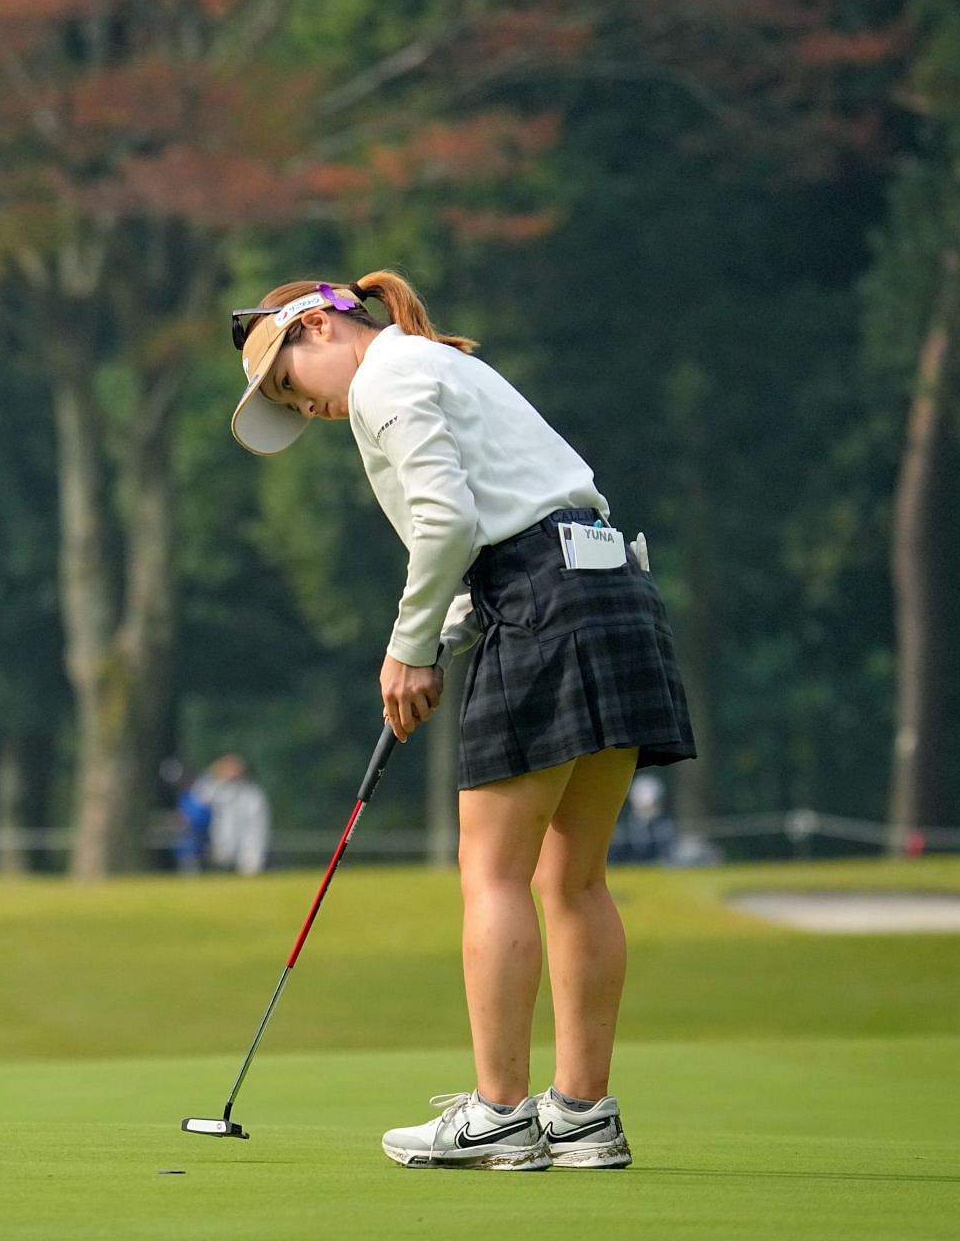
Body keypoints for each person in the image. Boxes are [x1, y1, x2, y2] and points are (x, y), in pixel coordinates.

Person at [227, 271, 694, 1170]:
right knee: (576, 881)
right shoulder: (442, 365)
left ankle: (498, 1114)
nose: (308, 409)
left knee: (492, 871)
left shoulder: (385, 379)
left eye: (291, 384)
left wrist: (409, 650)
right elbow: (490, 521)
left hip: (543, 601)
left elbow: (446, 522)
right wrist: (444, 630)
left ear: (318, 326)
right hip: (613, 591)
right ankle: (583, 1117)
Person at [198, 754, 270, 877]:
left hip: (249, 844)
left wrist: (255, 847)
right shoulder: (218, 790)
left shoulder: (252, 794)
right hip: (223, 844)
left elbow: (259, 825)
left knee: (249, 874)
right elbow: (200, 797)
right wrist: (215, 774)